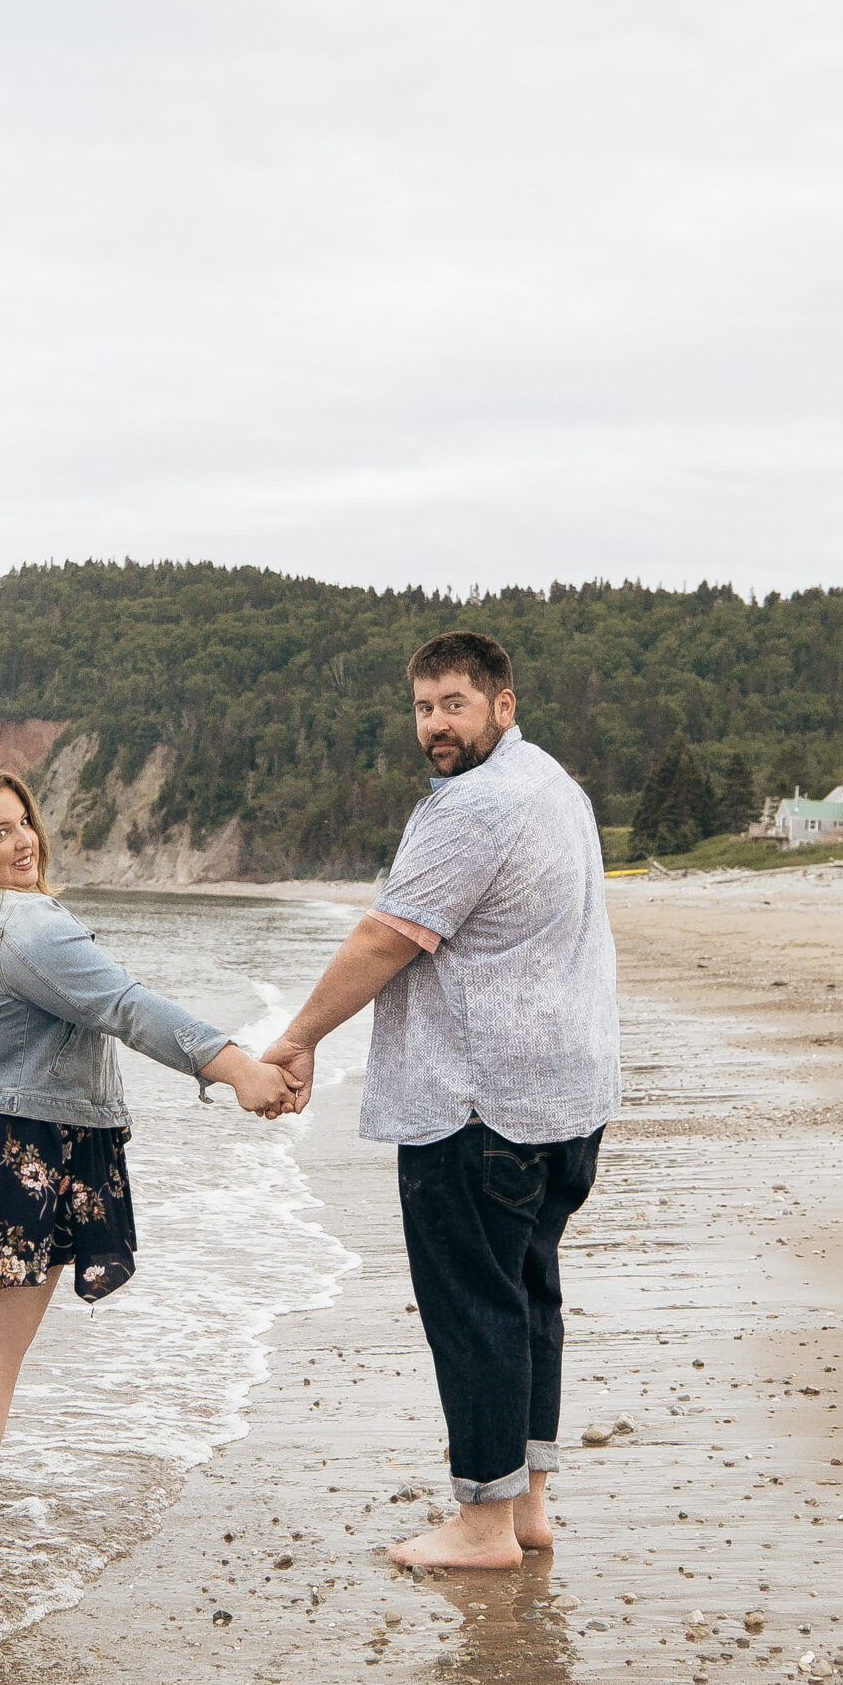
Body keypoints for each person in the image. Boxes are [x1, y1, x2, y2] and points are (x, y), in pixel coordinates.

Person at [0, 764, 296, 1530]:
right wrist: (238, 1069)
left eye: (23, 820)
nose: (24, 840)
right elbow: (128, 1006)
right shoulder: (25, 926)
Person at [261, 630, 619, 1569]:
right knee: (527, 1295)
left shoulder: (474, 806)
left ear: (503, 702)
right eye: (423, 707)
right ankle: (527, 1505)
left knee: (474, 1308)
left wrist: (297, 1038)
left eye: (455, 703)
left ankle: (484, 1525)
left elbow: (387, 937)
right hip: (566, 1096)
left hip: (478, 1102)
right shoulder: (555, 784)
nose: (435, 725)